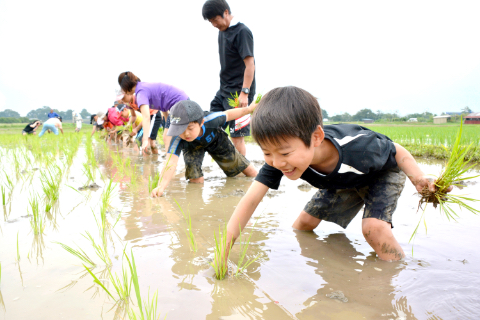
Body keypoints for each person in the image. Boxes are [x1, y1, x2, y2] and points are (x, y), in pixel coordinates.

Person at [223, 86, 454, 262]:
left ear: (315, 138)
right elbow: (250, 201)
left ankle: (396, 271)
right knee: (302, 225)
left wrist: (418, 179)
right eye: (267, 153)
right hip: (342, 179)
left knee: (374, 229)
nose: (276, 162)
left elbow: (396, 150)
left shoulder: (358, 147)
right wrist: (222, 254)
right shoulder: (278, 159)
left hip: (381, 174)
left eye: (284, 152)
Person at [151, 100, 258, 197]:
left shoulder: (211, 119)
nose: (186, 133)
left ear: (201, 122)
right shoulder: (178, 137)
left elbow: (228, 114)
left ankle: (259, 185)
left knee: (245, 168)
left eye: (190, 128)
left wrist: (249, 109)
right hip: (192, 147)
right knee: (195, 178)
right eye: (181, 129)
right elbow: (170, 162)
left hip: (216, 139)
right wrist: (161, 187)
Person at [202, 0, 256, 157]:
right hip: (224, 90)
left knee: (236, 136)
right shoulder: (222, 30)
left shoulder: (242, 32)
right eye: (211, 21)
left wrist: (245, 92)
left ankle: (241, 176)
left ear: (226, 12)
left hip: (239, 93)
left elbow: (250, 64)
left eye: (215, 20)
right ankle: (227, 163)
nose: (214, 24)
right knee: (209, 124)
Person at [118, 71, 189, 155]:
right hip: (181, 102)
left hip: (179, 104)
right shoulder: (143, 87)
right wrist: (167, 123)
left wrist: (144, 139)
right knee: (180, 135)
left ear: (125, 87)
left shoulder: (140, 92)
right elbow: (163, 103)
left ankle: (169, 164)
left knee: (167, 138)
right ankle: (175, 161)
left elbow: (146, 117)